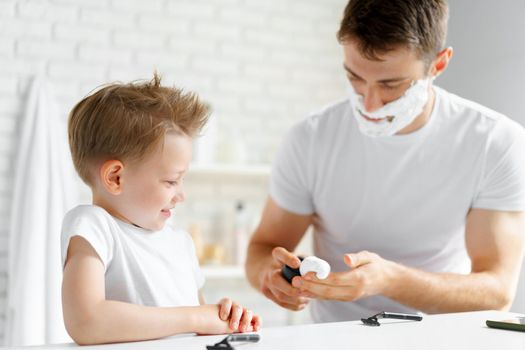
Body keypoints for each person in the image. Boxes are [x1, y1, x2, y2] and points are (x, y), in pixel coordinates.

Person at [246, 0, 525, 323]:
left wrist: (389, 281)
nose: (369, 102)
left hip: (440, 340)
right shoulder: (310, 138)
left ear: (438, 64)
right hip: (333, 340)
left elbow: (497, 292)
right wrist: (272, 277)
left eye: (390, 85)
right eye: (354, 78)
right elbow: (262, 249)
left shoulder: (495, 142)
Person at [62, 74, 261, 345]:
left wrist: (221, 318)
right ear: (115, 178)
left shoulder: (180, 243)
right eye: (170, 181)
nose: (181, 195)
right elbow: (87, 321)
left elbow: (195, 324)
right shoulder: (94, 227)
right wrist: (195, 317)